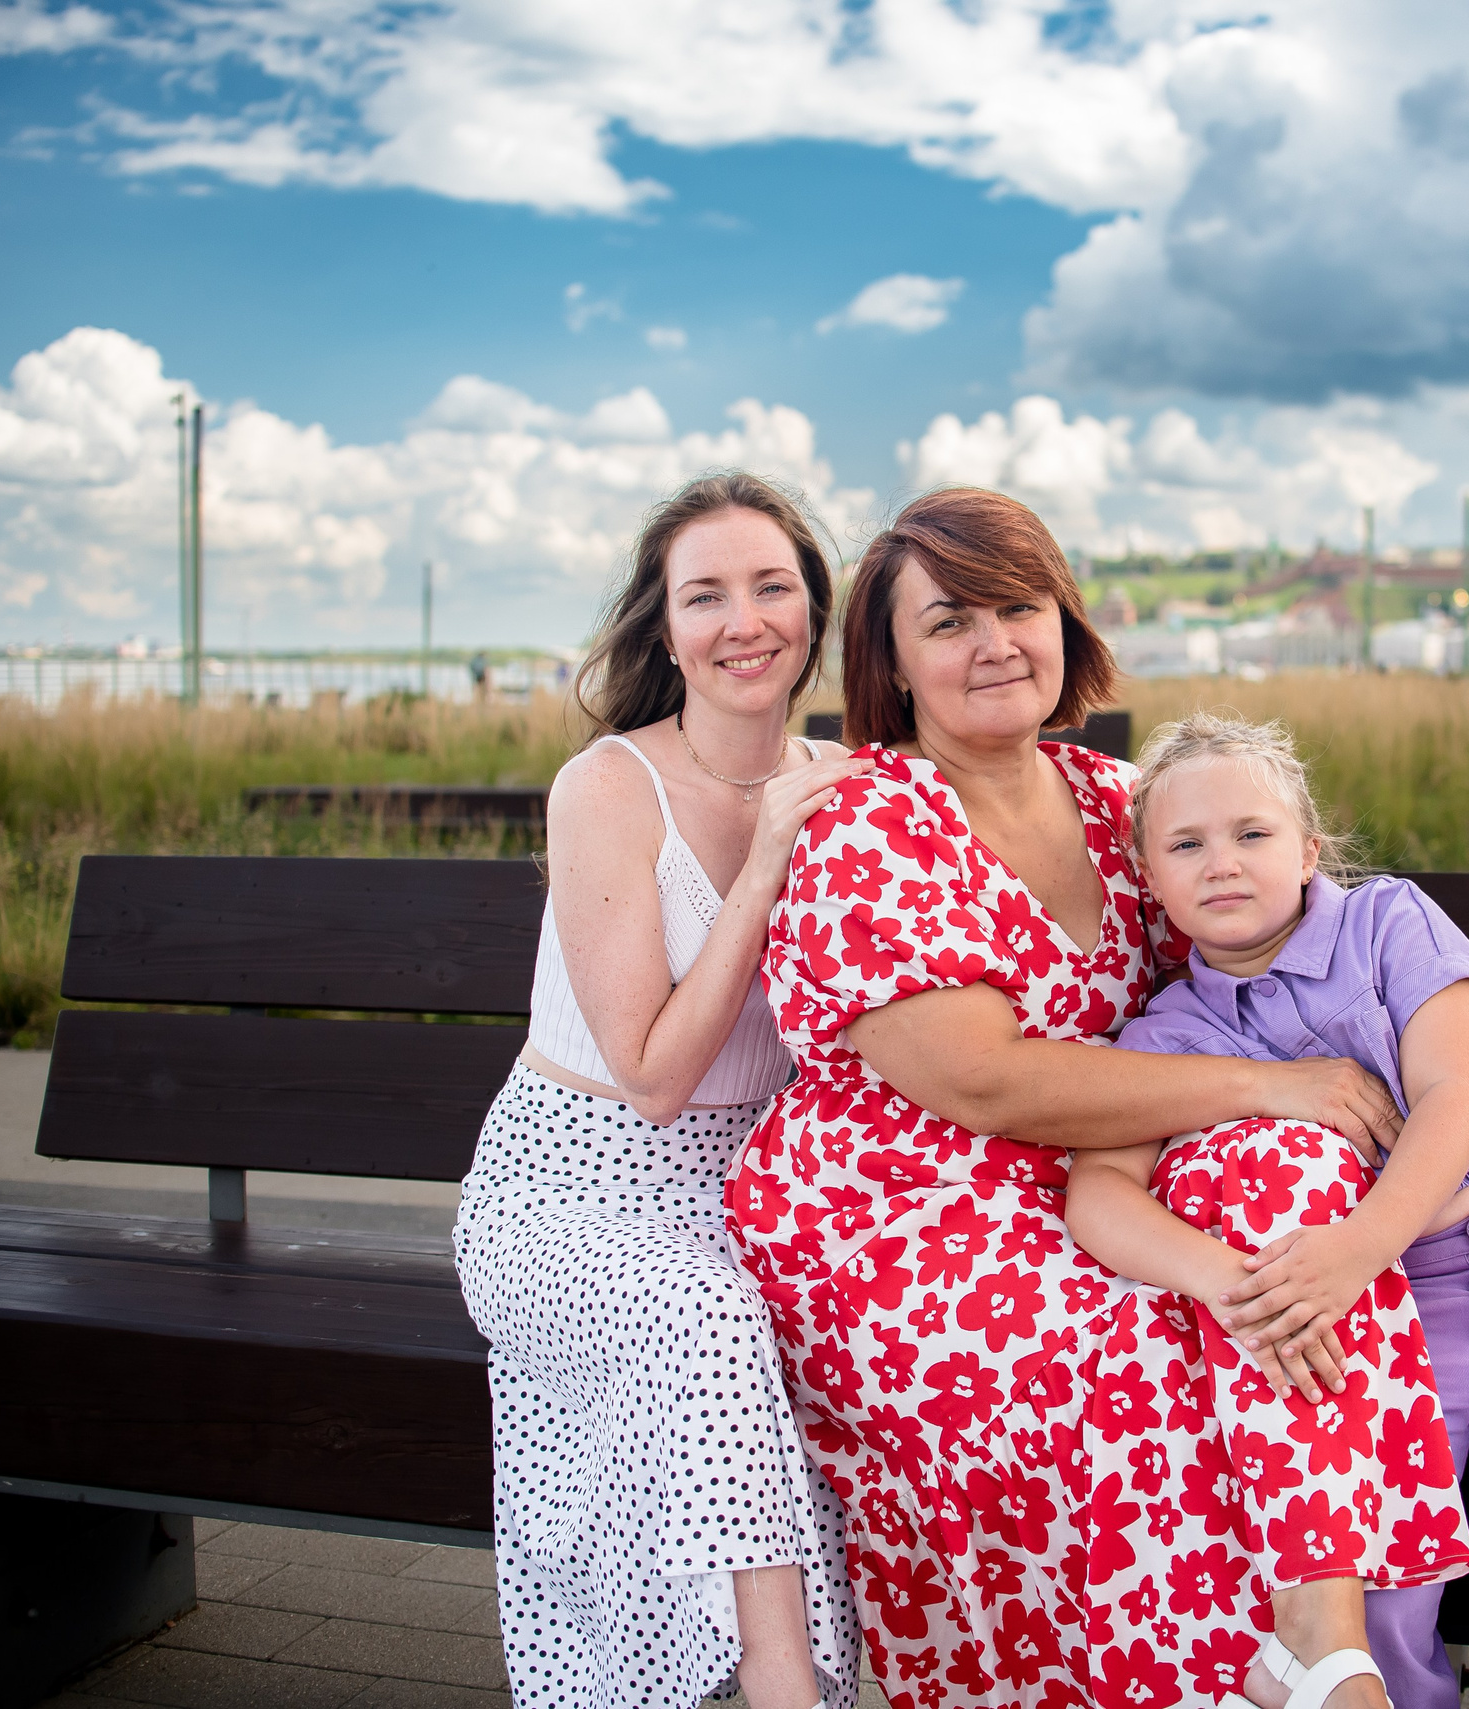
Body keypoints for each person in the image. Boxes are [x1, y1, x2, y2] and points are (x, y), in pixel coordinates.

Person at [725, 487, 1469, 1709]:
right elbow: (984, 1079)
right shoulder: (872, 821)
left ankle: (1321, 1648)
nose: (995, 640)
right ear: (890, 661)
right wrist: (1272, 1085)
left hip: (1094, 1177)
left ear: (1064, 622)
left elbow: (1301, 923)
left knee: (1284, 1211)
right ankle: (1212, 1677)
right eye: (948, 620)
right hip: (901, 1217)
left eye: (1019, 605)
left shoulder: (1117, 801)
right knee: (1148, 1365)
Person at [1079, 711, 1469, 1709]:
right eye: (1185, 843)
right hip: (1373, 1328)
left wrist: (1355, 1243)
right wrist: (1224, 1281)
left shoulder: (1386, 921)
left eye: (1252, 833)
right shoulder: (1166, 1030)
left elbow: (1449, 1094)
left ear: (1311, 849)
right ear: (1147, 875)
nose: (1221, 862)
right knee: (1373, 1604)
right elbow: (1098, 1191)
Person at [454, 472, 872, 1709]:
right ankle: (785, 1684)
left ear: (813, 612)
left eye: (771, 587)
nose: (743, 620)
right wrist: (770, 862)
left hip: (751, 1193)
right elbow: (648, 1072)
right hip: (561, 1195)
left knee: (880, 1333)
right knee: (707, 1326)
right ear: (665, 625)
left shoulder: (852, 780)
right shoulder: (607, 786)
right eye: (706, 594)